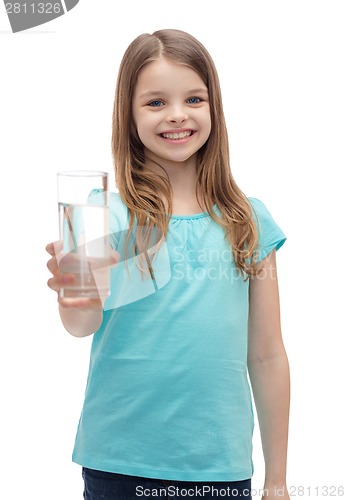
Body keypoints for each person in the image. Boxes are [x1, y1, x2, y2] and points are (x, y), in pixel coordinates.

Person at [46, 29, 290, 500]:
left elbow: (266, 354)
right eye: (155, 103)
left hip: (219, 469)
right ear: (129, 115)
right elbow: (81, 324)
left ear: (213, 107)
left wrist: (276, 478)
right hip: (118, 465)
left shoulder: (248, 220)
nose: (177, 115)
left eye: (193, 98)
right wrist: (74, 288)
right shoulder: (102, 214)